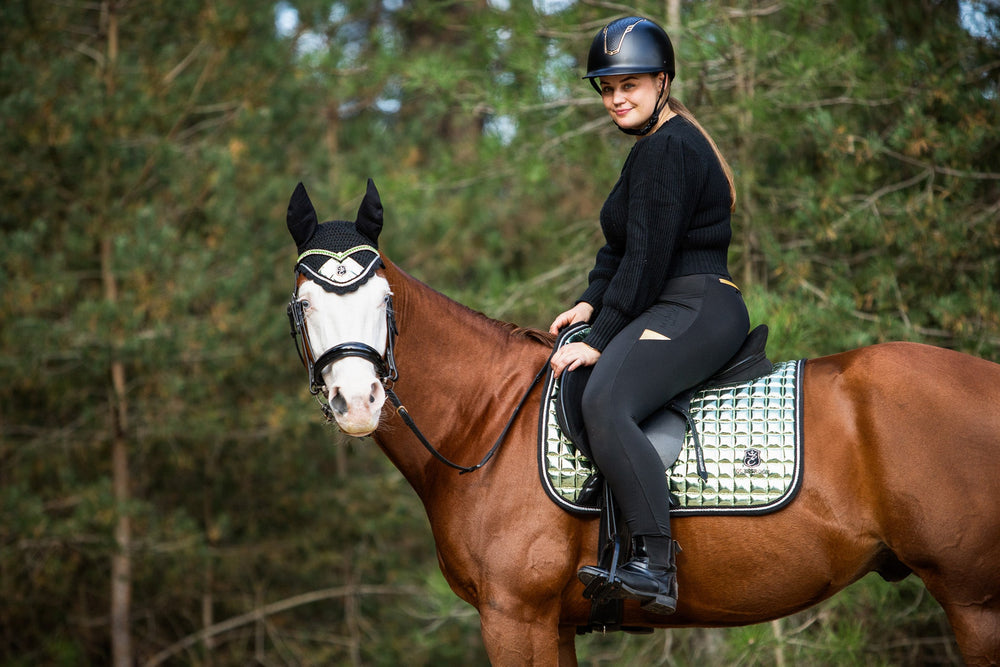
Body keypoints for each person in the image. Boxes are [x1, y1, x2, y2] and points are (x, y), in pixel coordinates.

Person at [548, 16, 750, 615]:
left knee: (605, 400)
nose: (616, 98)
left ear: (662, 81)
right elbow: (619, 249)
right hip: (669, 298)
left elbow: (648, 256)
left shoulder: (672, 147)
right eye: (607, 88)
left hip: (697, 304)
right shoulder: (651, 150)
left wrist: (601, 337)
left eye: (629, 84)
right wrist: (589, 301)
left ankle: (655, 565)